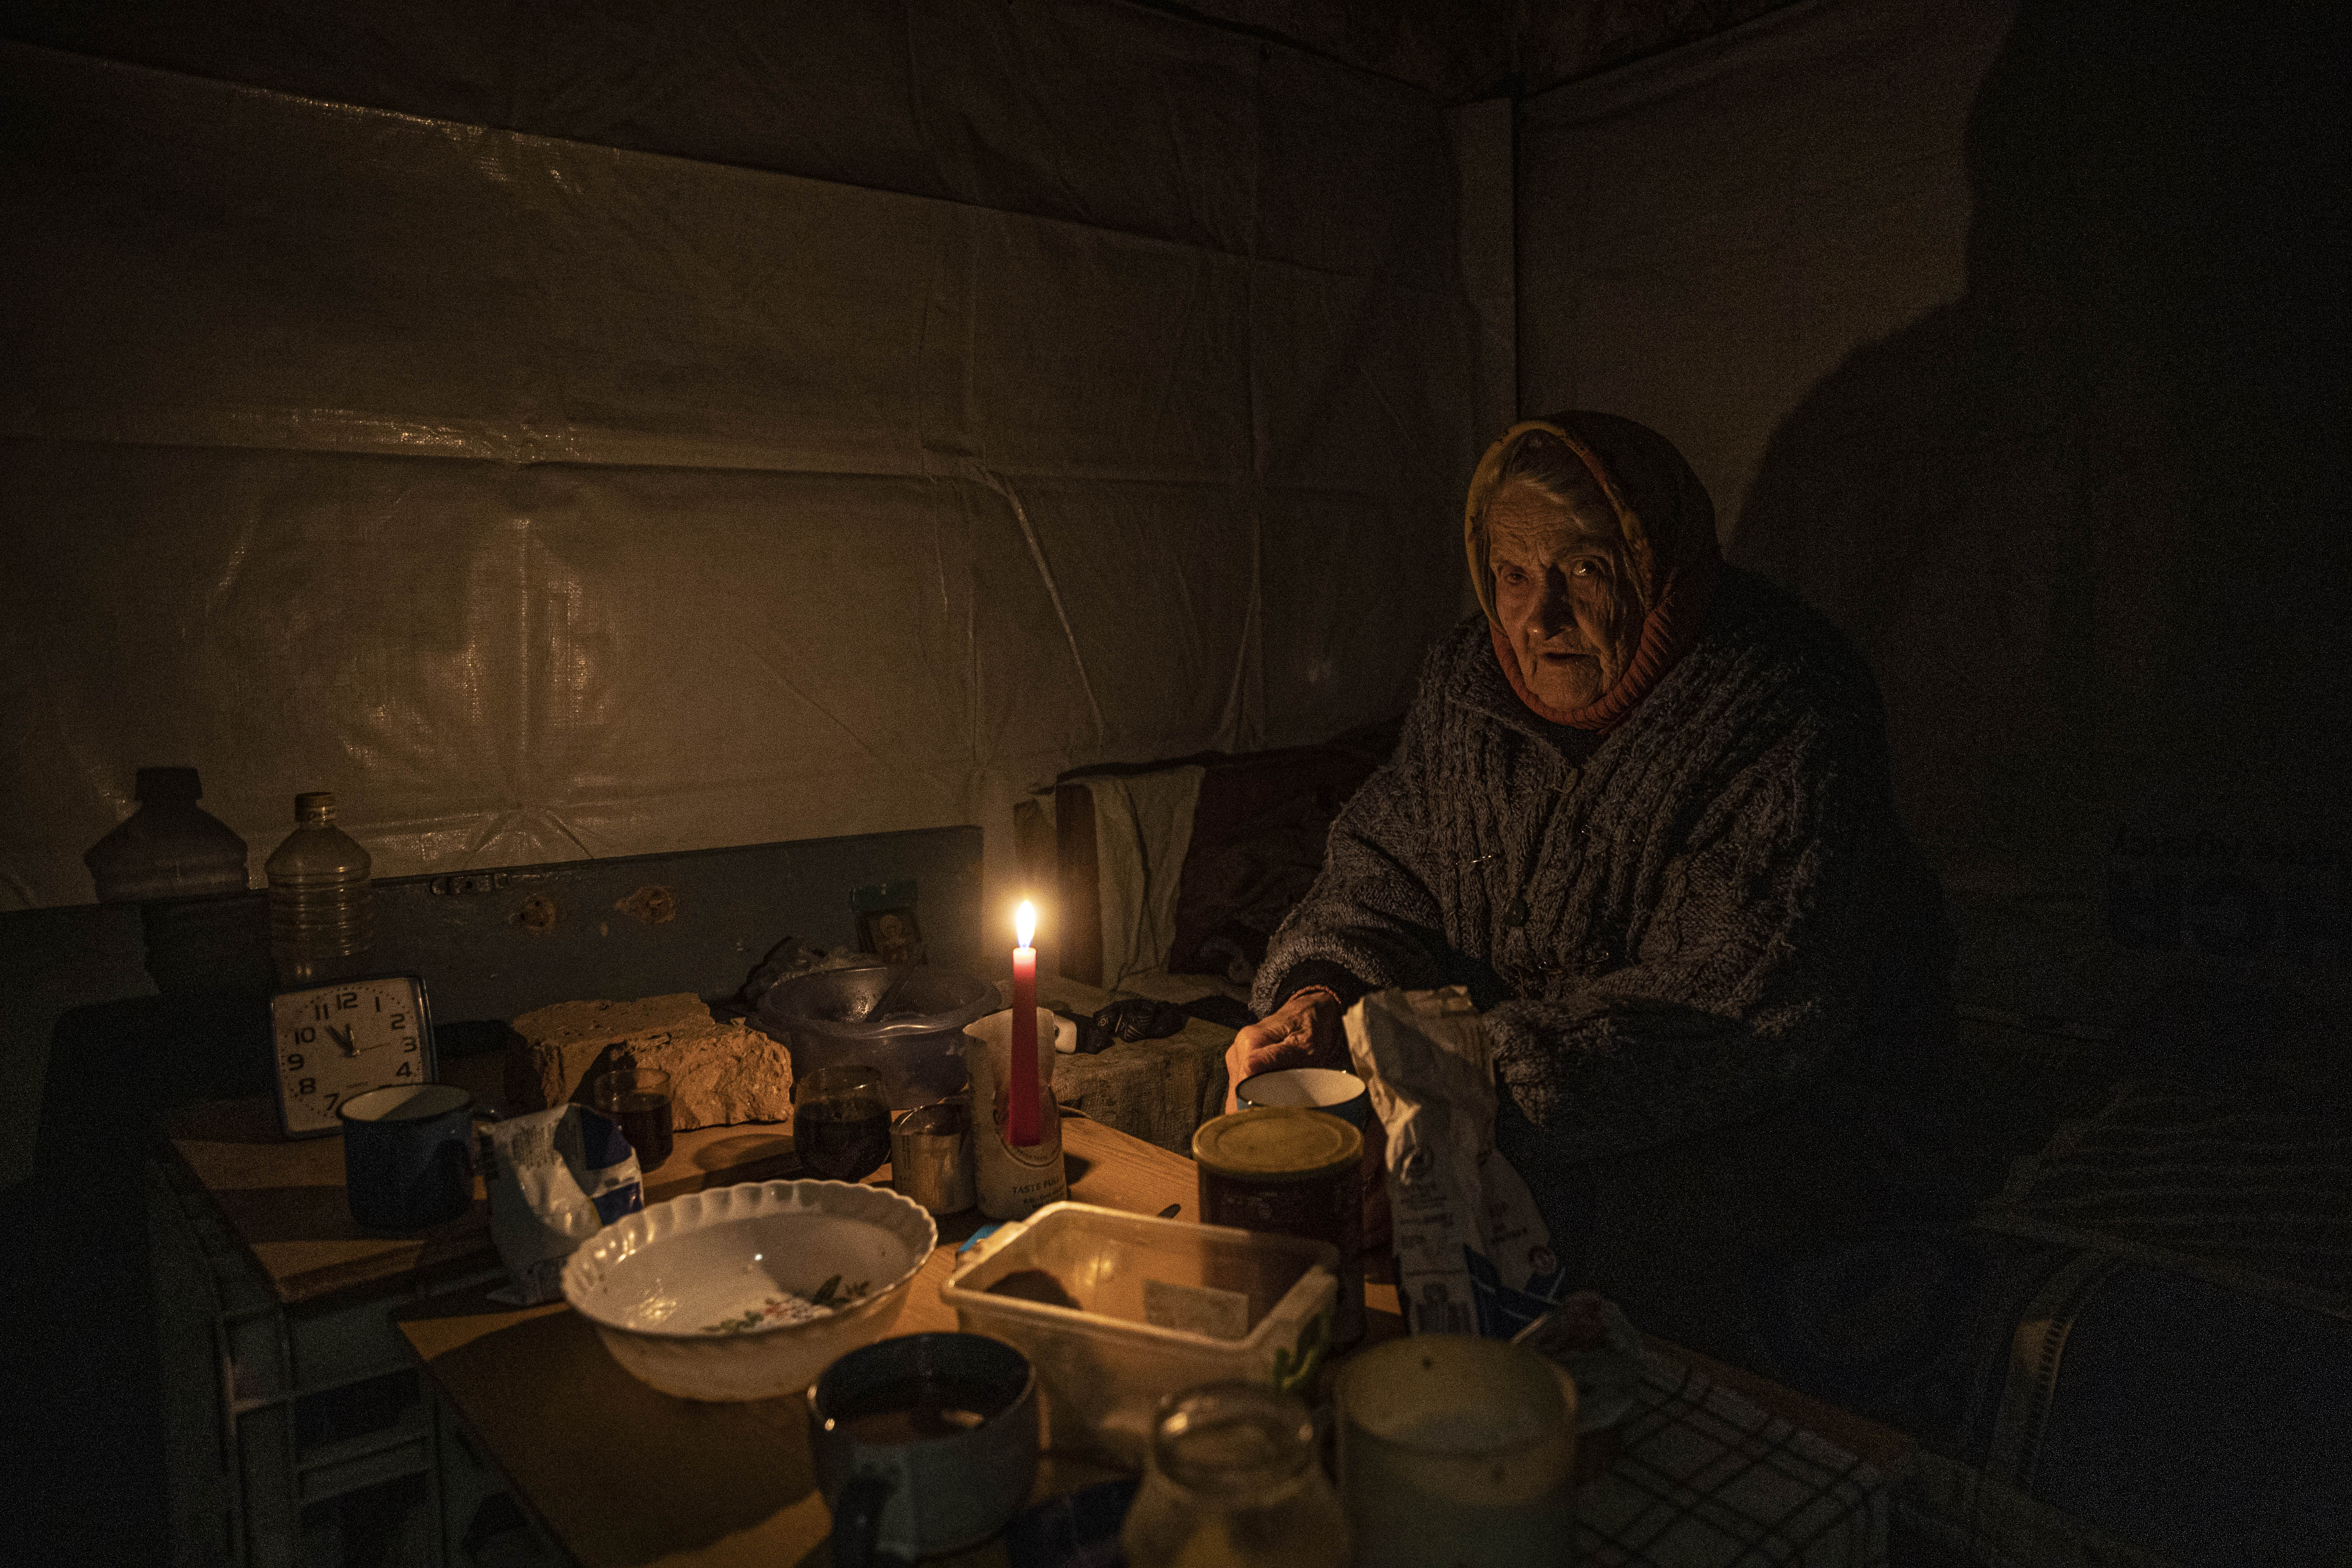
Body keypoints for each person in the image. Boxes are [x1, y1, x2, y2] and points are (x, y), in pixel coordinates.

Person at [1225, 411, 1956, 1364]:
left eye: (1585, 570)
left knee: (1622, 1241)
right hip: (1512, 1101)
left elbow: (1733, 1007)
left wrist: (1455, 1087)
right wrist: (1321, 994)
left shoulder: (1785, 702)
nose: (1538, 617)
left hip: (1779, 1107)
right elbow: (1383, 872)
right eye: (1515, 575)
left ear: (1657, 569)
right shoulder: (1466, 687)